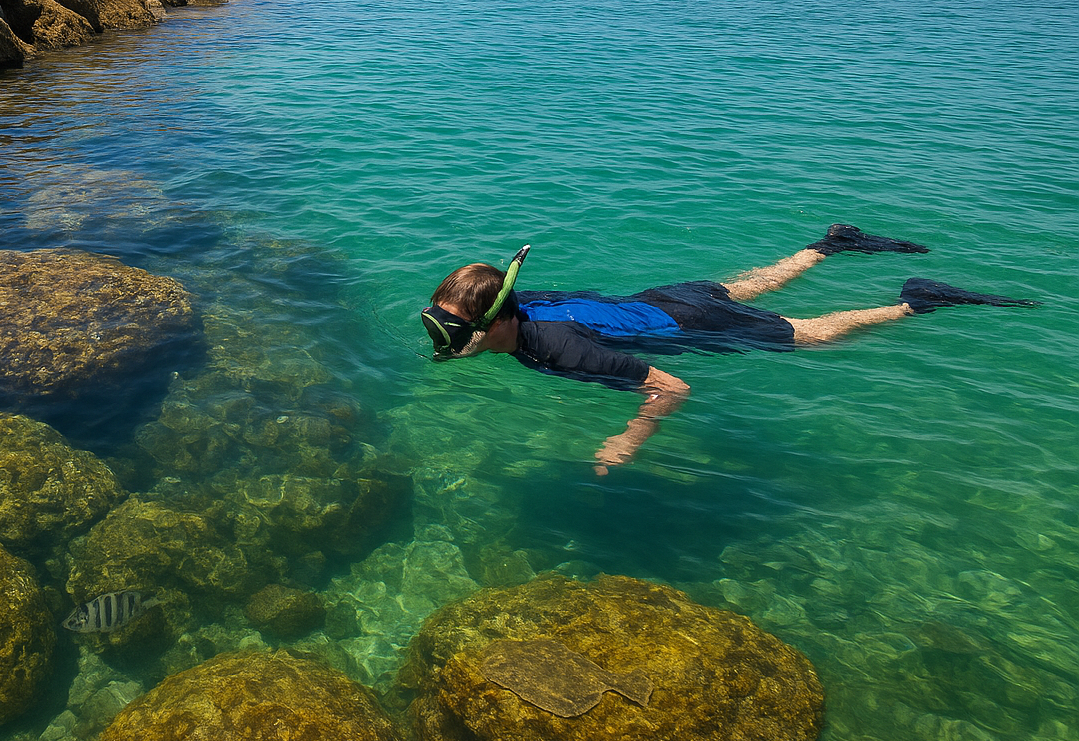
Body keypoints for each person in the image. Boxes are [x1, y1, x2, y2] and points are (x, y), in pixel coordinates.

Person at [420, 226, 1036, 475]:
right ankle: (831, 244)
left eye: (452, 331)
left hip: (687, 325)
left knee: (809, 334)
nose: (445, 341)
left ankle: (914, 301)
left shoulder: (555, 348)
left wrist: (627, 440)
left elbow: (672, 386)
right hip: (661, 299)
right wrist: (469, 349)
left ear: (491, 322)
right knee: (754, 282)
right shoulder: (529, 303)